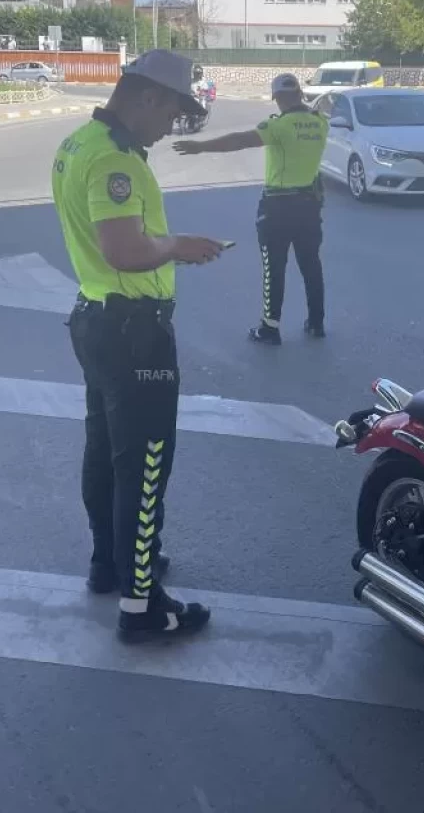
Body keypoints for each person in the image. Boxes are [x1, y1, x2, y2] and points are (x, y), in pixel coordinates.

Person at [52, 49, 227, 643]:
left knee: (105, 453)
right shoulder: (113, 161)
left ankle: (112, 562)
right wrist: (178, 246)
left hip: (96, 319)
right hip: (134, 334)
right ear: (147, 97)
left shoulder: (78, 142)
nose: (171, 126)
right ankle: (142, 607)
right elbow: (124, 250)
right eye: (172, 113)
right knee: (145, 466)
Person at [173, 73, 328, 344]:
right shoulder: (320, 123)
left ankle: (270, 328)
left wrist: (200, 147)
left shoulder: (279, 126)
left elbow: (239, 140)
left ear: (278, 97)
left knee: (273, 268)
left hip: (278, 207)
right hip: (309, 206)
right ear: (299, 93)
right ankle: (316, 323)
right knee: (311, 265)